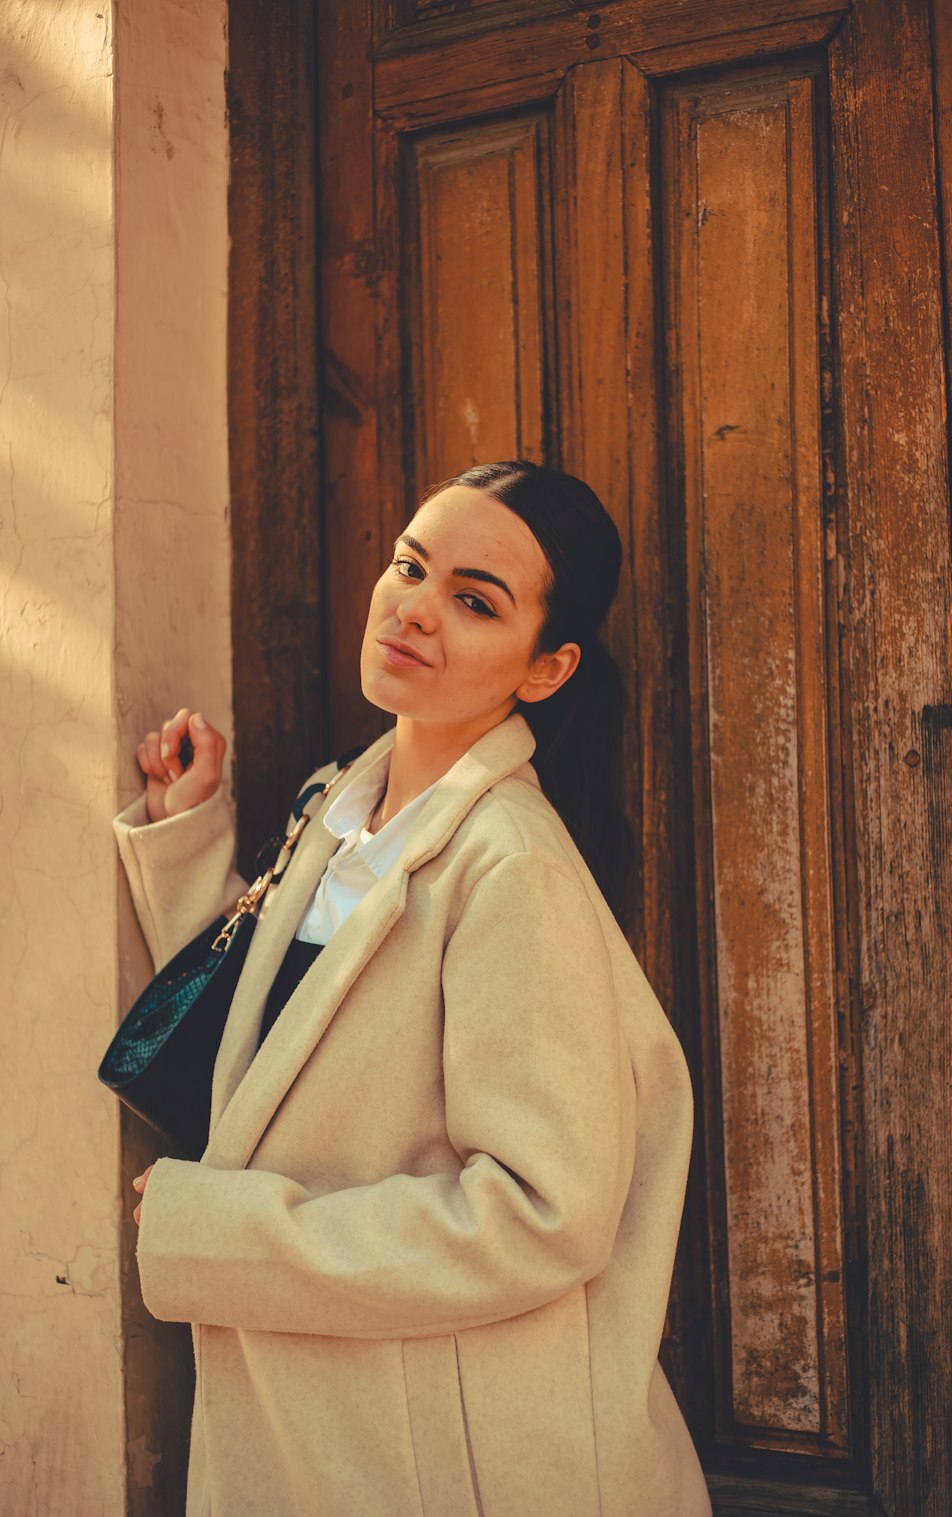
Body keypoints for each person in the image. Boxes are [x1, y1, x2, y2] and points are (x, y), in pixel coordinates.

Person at [113, 460, 711, 1517]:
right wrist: (184, 829)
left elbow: (544, 1213)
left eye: (474, 600)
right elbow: (280, 1038)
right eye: (411, 566)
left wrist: (223, 1232)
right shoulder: (339, 802)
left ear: (546, 665)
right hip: (313, 1420)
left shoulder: (509, 863)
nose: (415, 610)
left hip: (436, 1446)